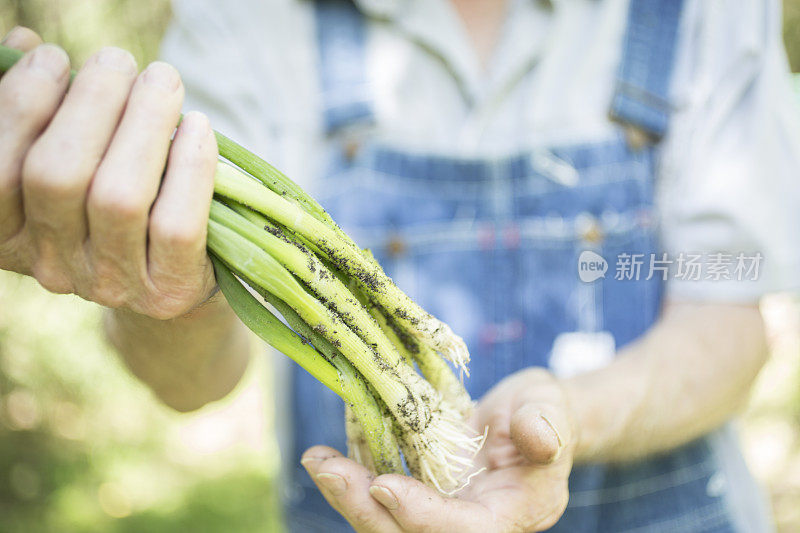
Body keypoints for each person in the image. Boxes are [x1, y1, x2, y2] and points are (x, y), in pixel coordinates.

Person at [1, 0, 799, 530]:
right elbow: (190, 382)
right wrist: (159, 288)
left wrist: (571, 420)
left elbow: (730, 319)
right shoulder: (240, 16)